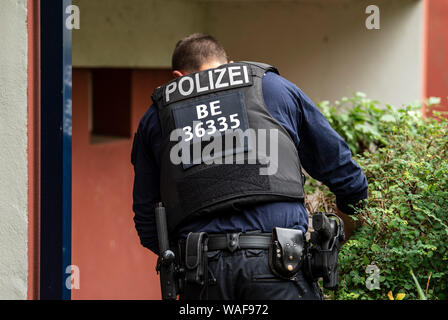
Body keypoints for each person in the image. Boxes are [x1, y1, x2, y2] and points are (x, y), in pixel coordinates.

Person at [131, 33, 368, 300]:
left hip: (202, 274)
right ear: (229, 64)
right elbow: (346, 174)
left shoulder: (156, 117)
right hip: (281, 264)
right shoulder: (274, 89)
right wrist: (346, 229)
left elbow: (147, 221)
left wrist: (187, 257)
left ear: (177, 77)